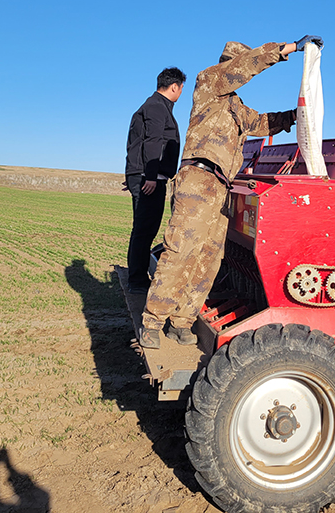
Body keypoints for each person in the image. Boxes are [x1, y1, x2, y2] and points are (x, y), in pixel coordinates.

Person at [139, 36, 322, 348]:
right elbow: (245, 68)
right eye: (239, 67)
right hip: (198, 180)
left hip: (221, 188)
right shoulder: (208, 83)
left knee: (209, 258)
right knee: (181, 250)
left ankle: (181, 322)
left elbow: (262, 122)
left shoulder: (236, 107)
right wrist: (285, 49)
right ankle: (152, 322)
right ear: (231, 65)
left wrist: (294, 116)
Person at [125, 67, 186, 293]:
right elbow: (152, 141)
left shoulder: (150, 106)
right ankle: (138, 281)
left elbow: (135, 142)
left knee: (143, 228)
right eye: (181, 89)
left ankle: (137, 278)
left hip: (143, 175)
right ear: (174, 87)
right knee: (145, 229)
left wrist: (133, 172)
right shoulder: (157, 107)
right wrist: (148, 176)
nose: (180, 93)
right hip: (150, 178)